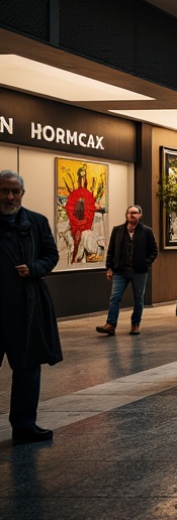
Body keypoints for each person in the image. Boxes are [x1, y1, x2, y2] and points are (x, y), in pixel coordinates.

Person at [0, 170, 62, 443]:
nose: (9, 196)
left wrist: (35, 268)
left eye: (14, 191)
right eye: (4, 190)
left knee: (28, 368)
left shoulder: (36, 222)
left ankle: (24, 425)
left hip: (27, 307)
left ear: (22, 194)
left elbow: (51, 253)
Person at [96, 204, 159, 336]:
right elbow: (111, 250)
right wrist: (109, 268)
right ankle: (110, 325)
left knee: (138, 299)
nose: (132, 215)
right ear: (126, 215)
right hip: (120, 271)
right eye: (130, 213)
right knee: (115, 297)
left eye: (135, 213)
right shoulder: (117, 230)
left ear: (140, 216)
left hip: (139, 271)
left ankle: (135, 325)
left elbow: (154, 251)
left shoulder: (146, 231)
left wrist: (146, 263)